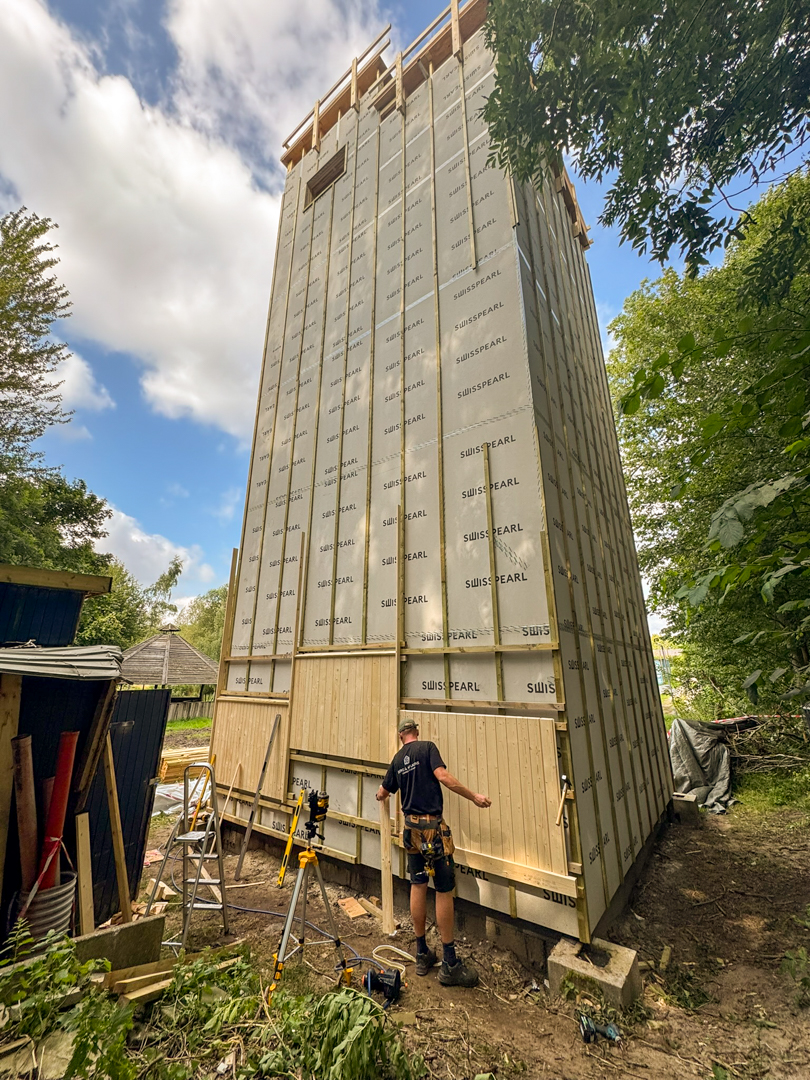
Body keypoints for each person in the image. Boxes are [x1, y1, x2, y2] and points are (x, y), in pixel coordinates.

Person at [376, 717, 492, 987]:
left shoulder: (397, 760)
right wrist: (474, 796)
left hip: (411, 832)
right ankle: (449, 963)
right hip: (433, 832)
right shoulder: (427, 748)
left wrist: (381, 796)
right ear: (416, 732)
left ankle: (421, 953)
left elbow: (383, 791)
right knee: (443, 889)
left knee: (418, 885)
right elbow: (443, 776)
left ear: (401, 736)